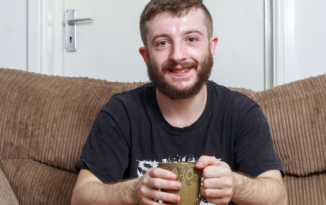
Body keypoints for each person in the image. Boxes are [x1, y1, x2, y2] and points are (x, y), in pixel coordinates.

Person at [71, 0, 287, 204]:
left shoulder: (242, 112)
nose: (177, 56)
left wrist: (237, 185)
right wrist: (132, 191)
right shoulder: (121, 113)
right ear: (146, 56)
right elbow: (80, 197)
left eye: (191, 39)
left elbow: (279, 198)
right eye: (163, 43)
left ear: (211, 47)